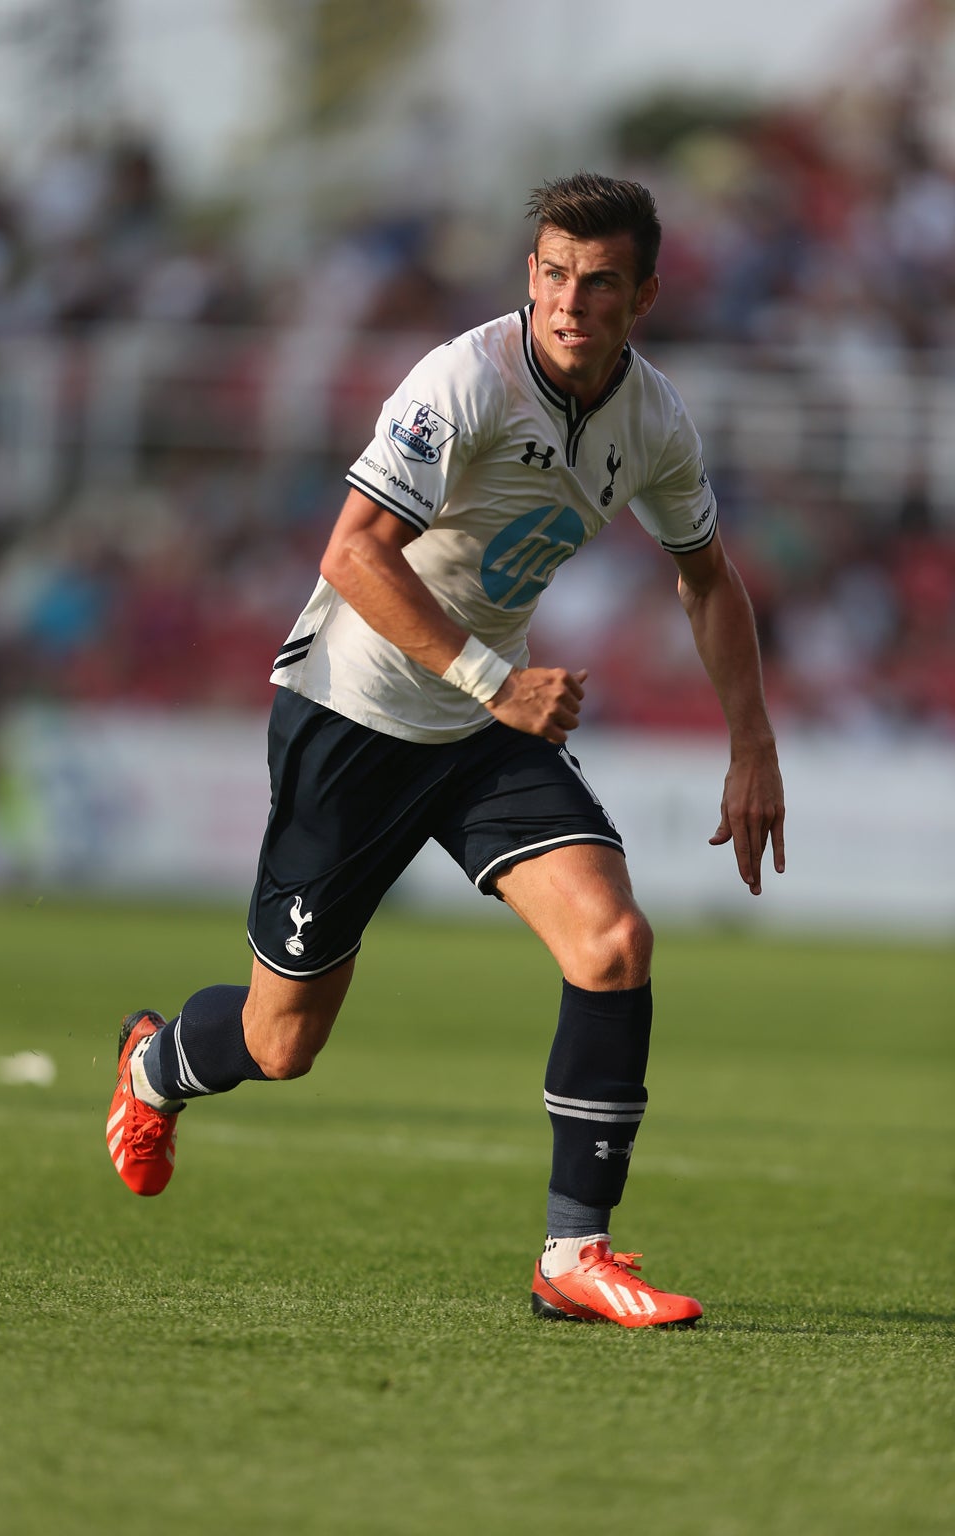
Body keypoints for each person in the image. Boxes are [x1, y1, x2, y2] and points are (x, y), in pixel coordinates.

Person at [105, 173, 786, 1329]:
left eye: (600, 282)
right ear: (530, 276)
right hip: (352, 722)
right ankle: (153, 1067)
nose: (571, 302)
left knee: (612, 942)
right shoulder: (462, 380)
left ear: (644, 296)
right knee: (280, 1043)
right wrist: (491, 679)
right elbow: (351, 553)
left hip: (480, 730)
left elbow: (705, 578)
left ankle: (573, 1254)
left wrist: (751, 744)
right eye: (554, 275)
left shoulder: (654, 422)